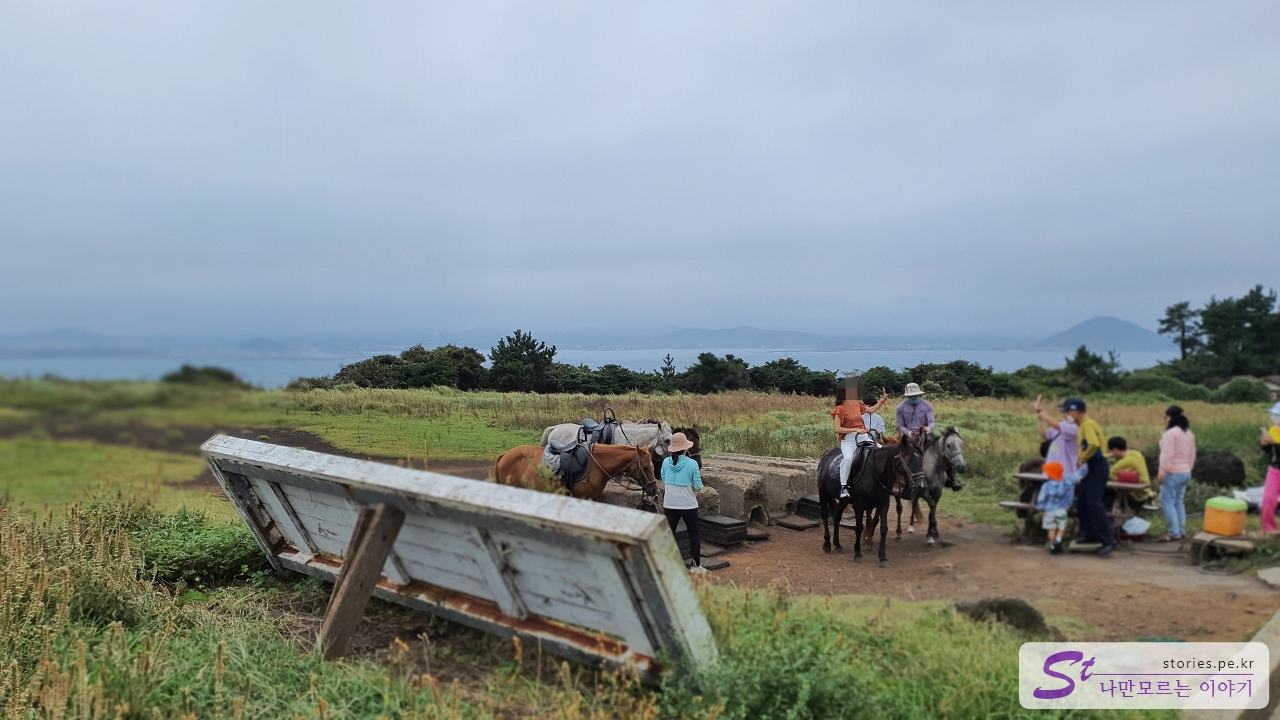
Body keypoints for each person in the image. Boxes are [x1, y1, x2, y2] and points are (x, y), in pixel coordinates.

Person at [1062, 397, 1116, 555]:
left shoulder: (1088, 425)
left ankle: (1108, 540)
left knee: (1094, 503)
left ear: (1075, 412)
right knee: (1082, 503)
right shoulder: (1082, 425)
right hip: (1090, 466)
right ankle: (1090, 535)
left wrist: (1083, 458)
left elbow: (1094, 444)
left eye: (1067, 412)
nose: (1065, 415)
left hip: (1097, 465)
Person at [832, 384, 889, 499]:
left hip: (864, 437)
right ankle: (844, 486)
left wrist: (882, 400)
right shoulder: (839, 409)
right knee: (848, 458)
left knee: (882, 452)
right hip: (849, 439)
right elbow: (837, 429)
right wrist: (856, 429)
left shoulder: (858, 405)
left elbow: (872, 409)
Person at [662, 432, 706, 572]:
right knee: (694, 534)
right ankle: (695, 566)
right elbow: (698, 487)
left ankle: (667, 564)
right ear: (686, 448)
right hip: (688, 505)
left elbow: (663, 479)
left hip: (669, 504)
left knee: (669, 535)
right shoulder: (692, 464)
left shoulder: (665, 462)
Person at [1157, 405, 1196, 542]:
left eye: (1166, 417)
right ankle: (1181, 530)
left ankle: (1174, 532)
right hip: (1185, 471)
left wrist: (1162, 472)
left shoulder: (1170, 434)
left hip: (1173, 472)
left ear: (1170, 417)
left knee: (1167, 501)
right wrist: (1189, 468)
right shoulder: (1189, 434)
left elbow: (1167, 455)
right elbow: (1192, 454)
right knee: (1178, 501)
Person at [1036, 461, 1081, 555]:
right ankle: (1058, 540)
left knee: (1052, 528)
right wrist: (1067, 505)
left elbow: (1041, 498)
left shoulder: (1045, 486)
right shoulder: (1066, 485)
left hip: (1049, 511)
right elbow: (1070, 496)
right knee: (1061, 527)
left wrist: (1041, 508)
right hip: (1061, 511)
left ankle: (1052, 545)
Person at [1034, 394, 1079, 480]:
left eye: (1066, 410)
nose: (1064, 413)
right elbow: (1046, 435)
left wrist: (1040, 410)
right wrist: (1042, 421)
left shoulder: (1075, 428)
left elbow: (1055, 424)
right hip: (1050, 472)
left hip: (1065, 474)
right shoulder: (1062, 424)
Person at [1106, 436, 1153, 503]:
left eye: (1111, 451)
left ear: (1115, 449)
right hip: (1145, 492)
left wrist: (1104, 457)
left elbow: (1109, 473)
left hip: (1136, 496)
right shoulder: (1136, 454)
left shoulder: (1126, 461)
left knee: (1107, 490)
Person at [1263, 402, 1280, 533]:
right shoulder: (1273, 430)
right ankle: (1269, 529)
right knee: (1268, 499)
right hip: (1274, 469)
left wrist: (1275, 444)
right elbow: (1270, 452)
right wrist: (1265, 445)